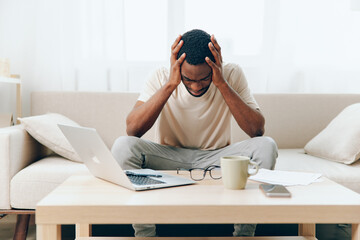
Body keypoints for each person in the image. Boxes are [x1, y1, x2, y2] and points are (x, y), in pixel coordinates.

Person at [111, 29, 278, 237]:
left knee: (267, 145)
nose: (196, 86)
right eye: (187, 79)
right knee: (122, 146)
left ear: (215, 66)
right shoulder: (162, 76)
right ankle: (145, 235)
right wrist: (172, 83)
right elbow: (132, 130)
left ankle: (244, 235)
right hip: (168, 156)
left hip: (216, 157)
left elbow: (257, 130)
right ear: (177, 68)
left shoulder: (231, 74)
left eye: (204, 78)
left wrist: (221, 83)